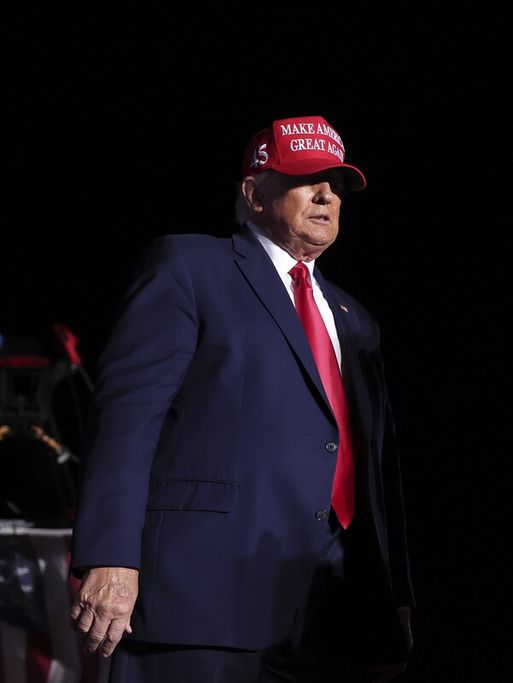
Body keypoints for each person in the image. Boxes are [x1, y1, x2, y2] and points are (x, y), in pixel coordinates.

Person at [69, 115, 414, 682]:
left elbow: (378, 470)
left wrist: (394, 591)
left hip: (330, 614)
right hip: (202, 601)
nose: (328, 194)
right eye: (308, 179)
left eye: (338, 183)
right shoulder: (189, 267)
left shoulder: (355, 319)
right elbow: (127, 419)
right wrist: (111, 556)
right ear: (253, 193)